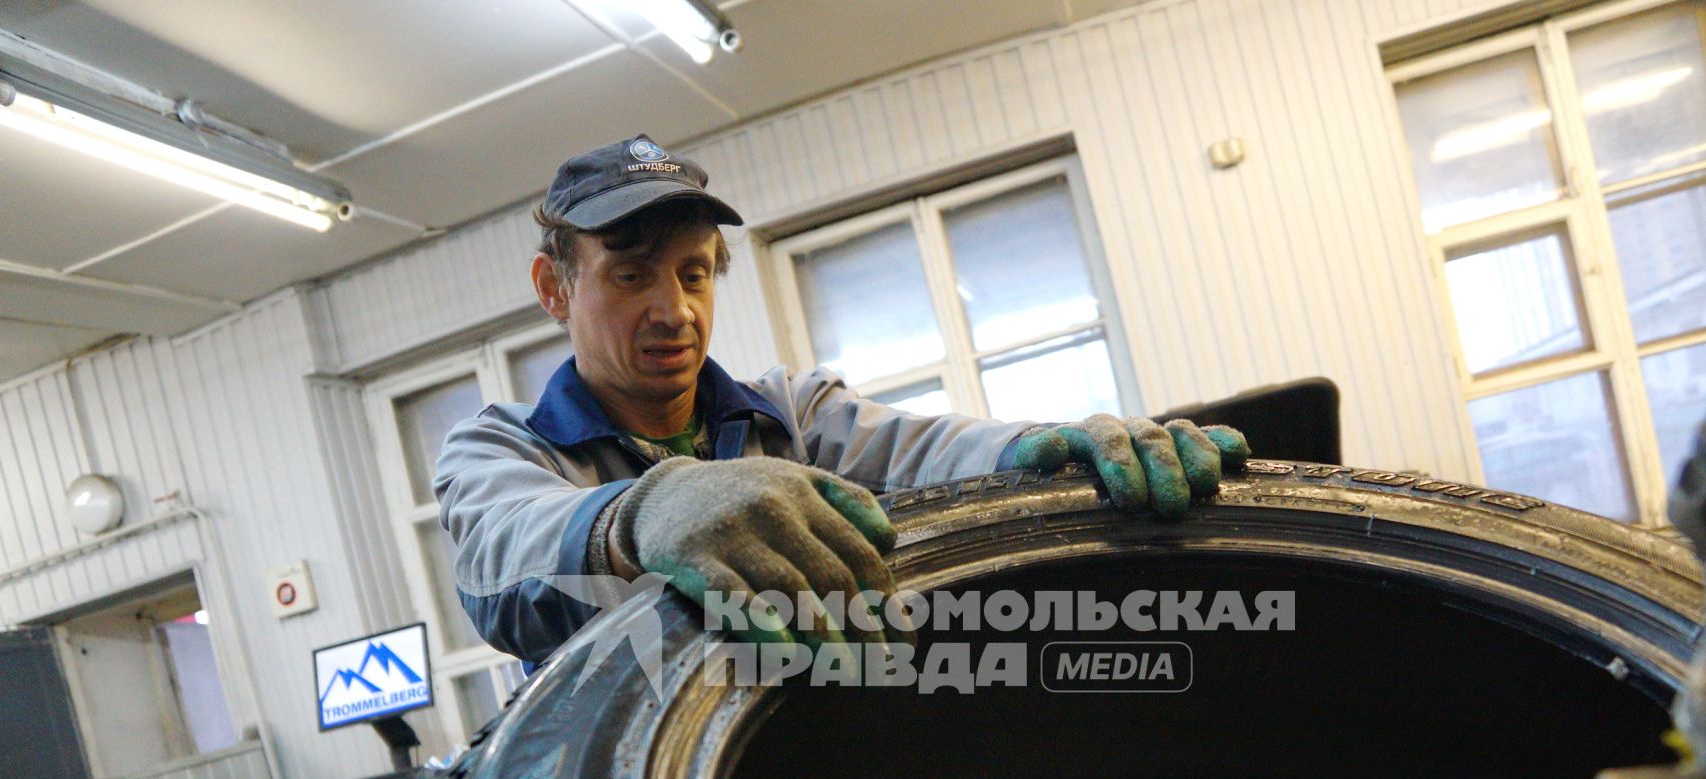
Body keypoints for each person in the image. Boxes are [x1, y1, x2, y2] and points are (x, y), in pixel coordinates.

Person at [435, 134, 1249, 665]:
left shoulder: (791, 415)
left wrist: (1048, 446)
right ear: (555, 286)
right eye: (631, 274)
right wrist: (642, 512)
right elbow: (505, 551)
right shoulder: (505, 449)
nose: (674, 310)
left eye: (692, 273)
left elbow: (925, 452)